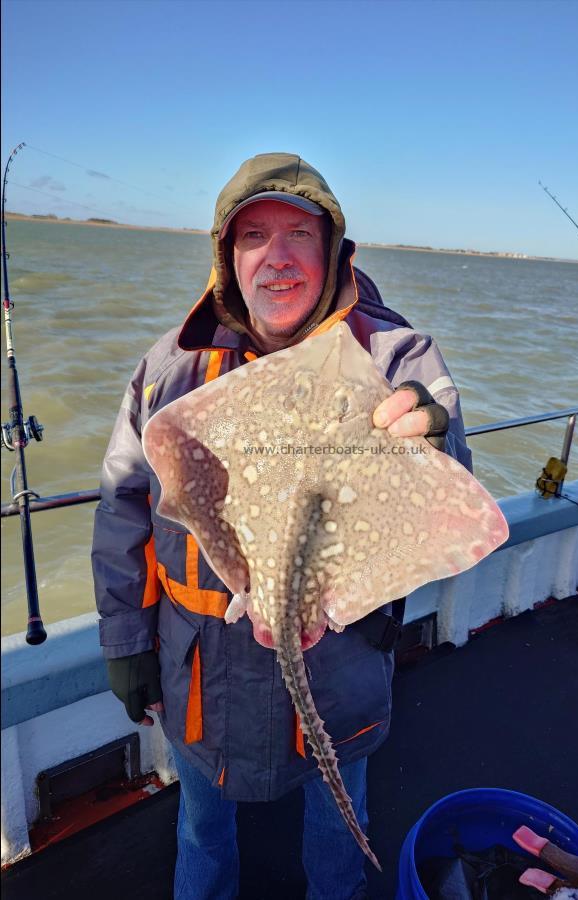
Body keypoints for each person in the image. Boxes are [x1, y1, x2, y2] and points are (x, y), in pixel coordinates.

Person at [92, 153, 473, 900]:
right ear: (227, 257)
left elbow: (452, 464)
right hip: (200, 663)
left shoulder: (393, 354)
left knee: (338, 821)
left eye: (299, 232)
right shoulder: (169, 368)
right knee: (201, 827)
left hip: (341, 664)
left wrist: (431, 436)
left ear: (333, 249)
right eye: (253, 236)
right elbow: (123, 503)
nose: (277, 256)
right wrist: (126, 642)